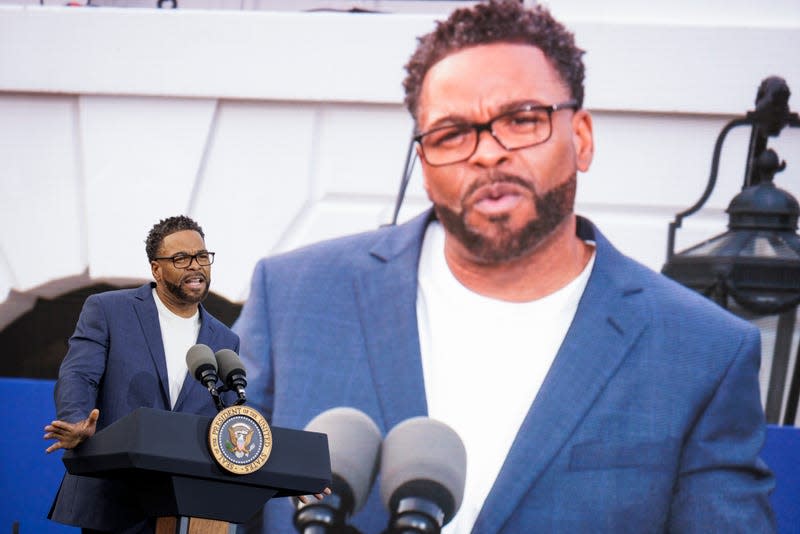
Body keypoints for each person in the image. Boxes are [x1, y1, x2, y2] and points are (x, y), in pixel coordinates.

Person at [234, 1, 776, 532]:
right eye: (452, 133)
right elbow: (209, 506)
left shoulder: (701, 351)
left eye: (521, 120)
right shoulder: (294, 300)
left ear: (581, 138)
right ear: (423, 164)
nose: (487, 153)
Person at [44, 215, 240, 534]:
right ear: (156, 268)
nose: (196, 265)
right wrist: (76, 419)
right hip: (116, 497)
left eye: (202, 256)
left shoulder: (225, 340)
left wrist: (283, 474)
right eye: (181, 258)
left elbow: (233, 418)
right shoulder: (109, 310)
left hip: (187, 505)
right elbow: (79, 374)